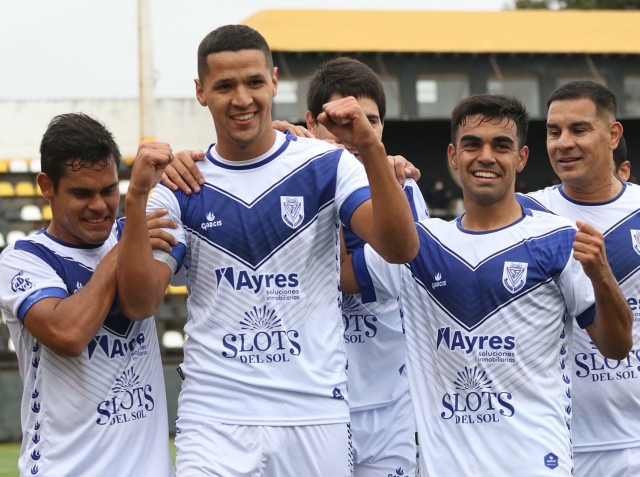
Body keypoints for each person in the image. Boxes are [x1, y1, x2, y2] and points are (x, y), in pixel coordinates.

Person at [115, 24, 419, 477]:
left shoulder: (326, 164)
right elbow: (139, 303)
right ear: (201, 92)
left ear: (274, 81)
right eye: (225, 86)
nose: (242, 99)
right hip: (214, 418)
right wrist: (136, 198)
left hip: (314, 415)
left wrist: (370, 147)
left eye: (254, 82)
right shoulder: (179, 185)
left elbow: (399, 248)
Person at [340, 93, 632, 476]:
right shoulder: (417, 245)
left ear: (522, 158)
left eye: (502, 145)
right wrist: (304, 146)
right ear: (452, 156)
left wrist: (602, 276)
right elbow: (332, 272)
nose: (486, 157)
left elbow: (616, 346)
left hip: (535, 466)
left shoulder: (559, 238)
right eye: (472, 144)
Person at [0, 113, 176, 476]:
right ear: (47, 186)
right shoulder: (23, 260)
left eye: (109, 190)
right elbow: (67, 334)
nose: (99, 206)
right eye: (82, 193)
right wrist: (124, 247)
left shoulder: (140, 231)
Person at [303, 56, 427, 477]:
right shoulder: (284, 184)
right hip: (309, 411)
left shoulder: (404, 193)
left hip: (389, 413)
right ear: (309, 123)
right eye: (335, 122)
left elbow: (352, 279)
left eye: (368, 121)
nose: (354, 134)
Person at [516, 80, 640, 477]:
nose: (563, 143)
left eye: (579, 129)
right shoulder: (525, 214)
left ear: (612, 134)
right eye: (554, 132)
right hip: (555, 442)